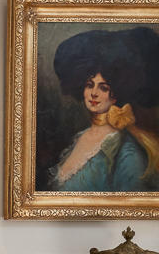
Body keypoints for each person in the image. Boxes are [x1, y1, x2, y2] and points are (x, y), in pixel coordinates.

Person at [49, 27, 159, 191]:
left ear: (117, 94)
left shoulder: (127, 152)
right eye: (89, 85)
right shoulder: (81, 137)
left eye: (104, 88)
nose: (93, 93)